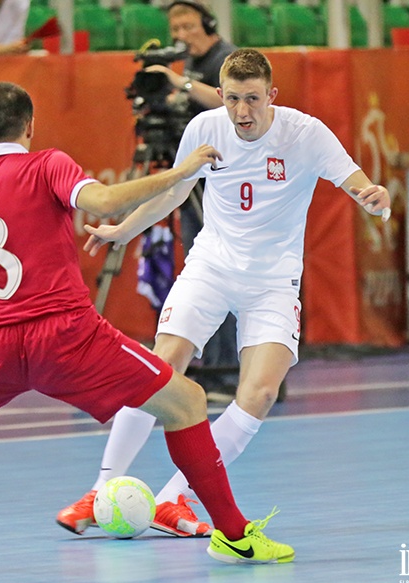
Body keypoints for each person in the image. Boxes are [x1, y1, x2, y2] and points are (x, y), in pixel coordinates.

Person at [0, 81, 294, 574]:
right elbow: (106, 202)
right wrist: (179, 173)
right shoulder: (47, 163)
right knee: (188, 402)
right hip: (67, 337)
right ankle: (236, 537)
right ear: (29, 126)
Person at [58, 48, 392, 538]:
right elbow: (174, 193)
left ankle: (174, 496)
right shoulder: (204, 129)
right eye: (233, 98)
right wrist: (124, 230)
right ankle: (98, 488)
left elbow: (358, 183)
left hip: (273, 281)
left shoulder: (305, 133)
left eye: (253, 99)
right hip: (211, 266)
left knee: (259, 393)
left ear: (271, 96)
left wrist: (374, 195)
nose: (242, 111)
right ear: (220, 95)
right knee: (160, 365)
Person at [141, 0, 241, 401]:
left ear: (208, 22)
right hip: (198, 175)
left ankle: (226, 371)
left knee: (222, 271)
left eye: (187, 26)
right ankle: (205, 366)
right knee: (199, 270)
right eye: (174, 29)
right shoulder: (190, 65)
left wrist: (177, 82)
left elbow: (230, 102)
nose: (180, 35)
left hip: (225, 184)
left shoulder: (226, 58)